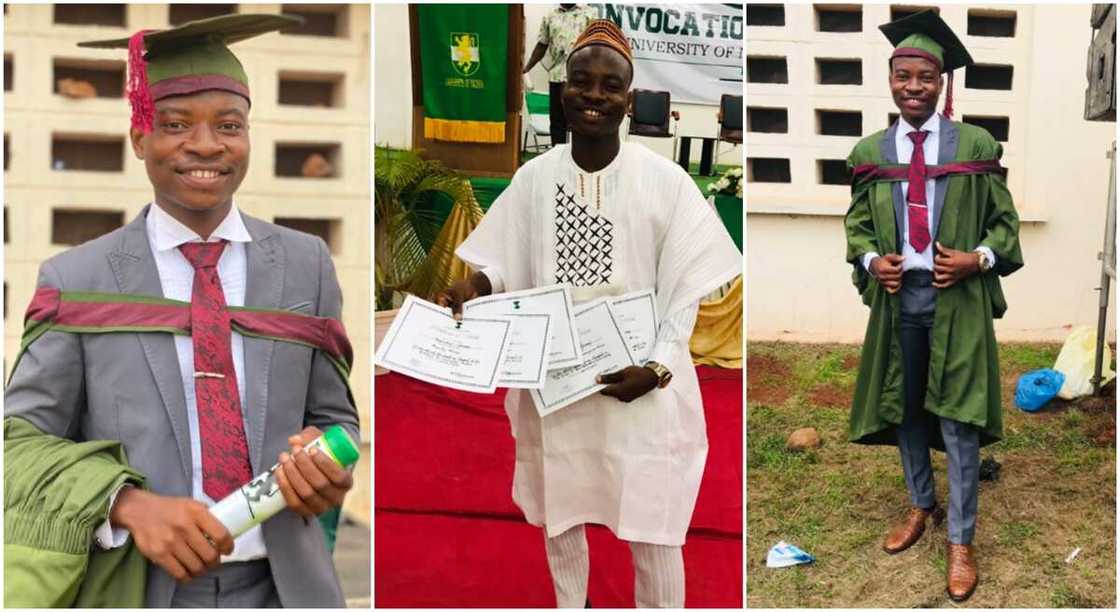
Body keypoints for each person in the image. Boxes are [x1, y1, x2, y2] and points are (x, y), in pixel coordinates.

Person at [4, 14, 360, 607]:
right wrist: (125, 503)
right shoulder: (77, 280)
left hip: (285, 589)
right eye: (175, 124)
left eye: (229, 125)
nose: (206, 144)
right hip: (137, 588)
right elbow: (16, 446)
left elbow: (337, 419)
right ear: (139, 138)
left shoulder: (307, 266)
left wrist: (326, 463)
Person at [437, 20, 740, 608]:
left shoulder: (666, 182)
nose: (594, 95)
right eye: (581, 81)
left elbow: (685, 290)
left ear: (630, 98)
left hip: (641, 384)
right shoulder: (535, 178)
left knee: (653, 524)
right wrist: (473, 285)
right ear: (563, 91)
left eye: (610, 85)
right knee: (562, 512)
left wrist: (658, 368)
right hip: (557, 383)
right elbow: (506, 260)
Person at [843, 10, 1023, 603]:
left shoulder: (974, 145)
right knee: (907, 406)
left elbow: (1004, 224)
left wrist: (978, 259)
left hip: (958, 298)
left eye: (925, 77)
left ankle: (961, 540)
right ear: (890, 80)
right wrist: (873, 260)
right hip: (900, 299)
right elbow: (857, 225)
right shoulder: (870, 151)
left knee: (958, 416)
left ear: (942, 83)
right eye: (904, 76)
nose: (914, 87)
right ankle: (922, 503)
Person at [523, 4, 599, 145]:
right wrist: (527, 68)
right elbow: (542, 45)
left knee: (579, 119)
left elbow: (597, 46)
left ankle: (580, 154)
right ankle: (556, 153)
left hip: (581, 78)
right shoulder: (550, 16)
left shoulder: (590, 14)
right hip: (556, 77)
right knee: (557, 121)